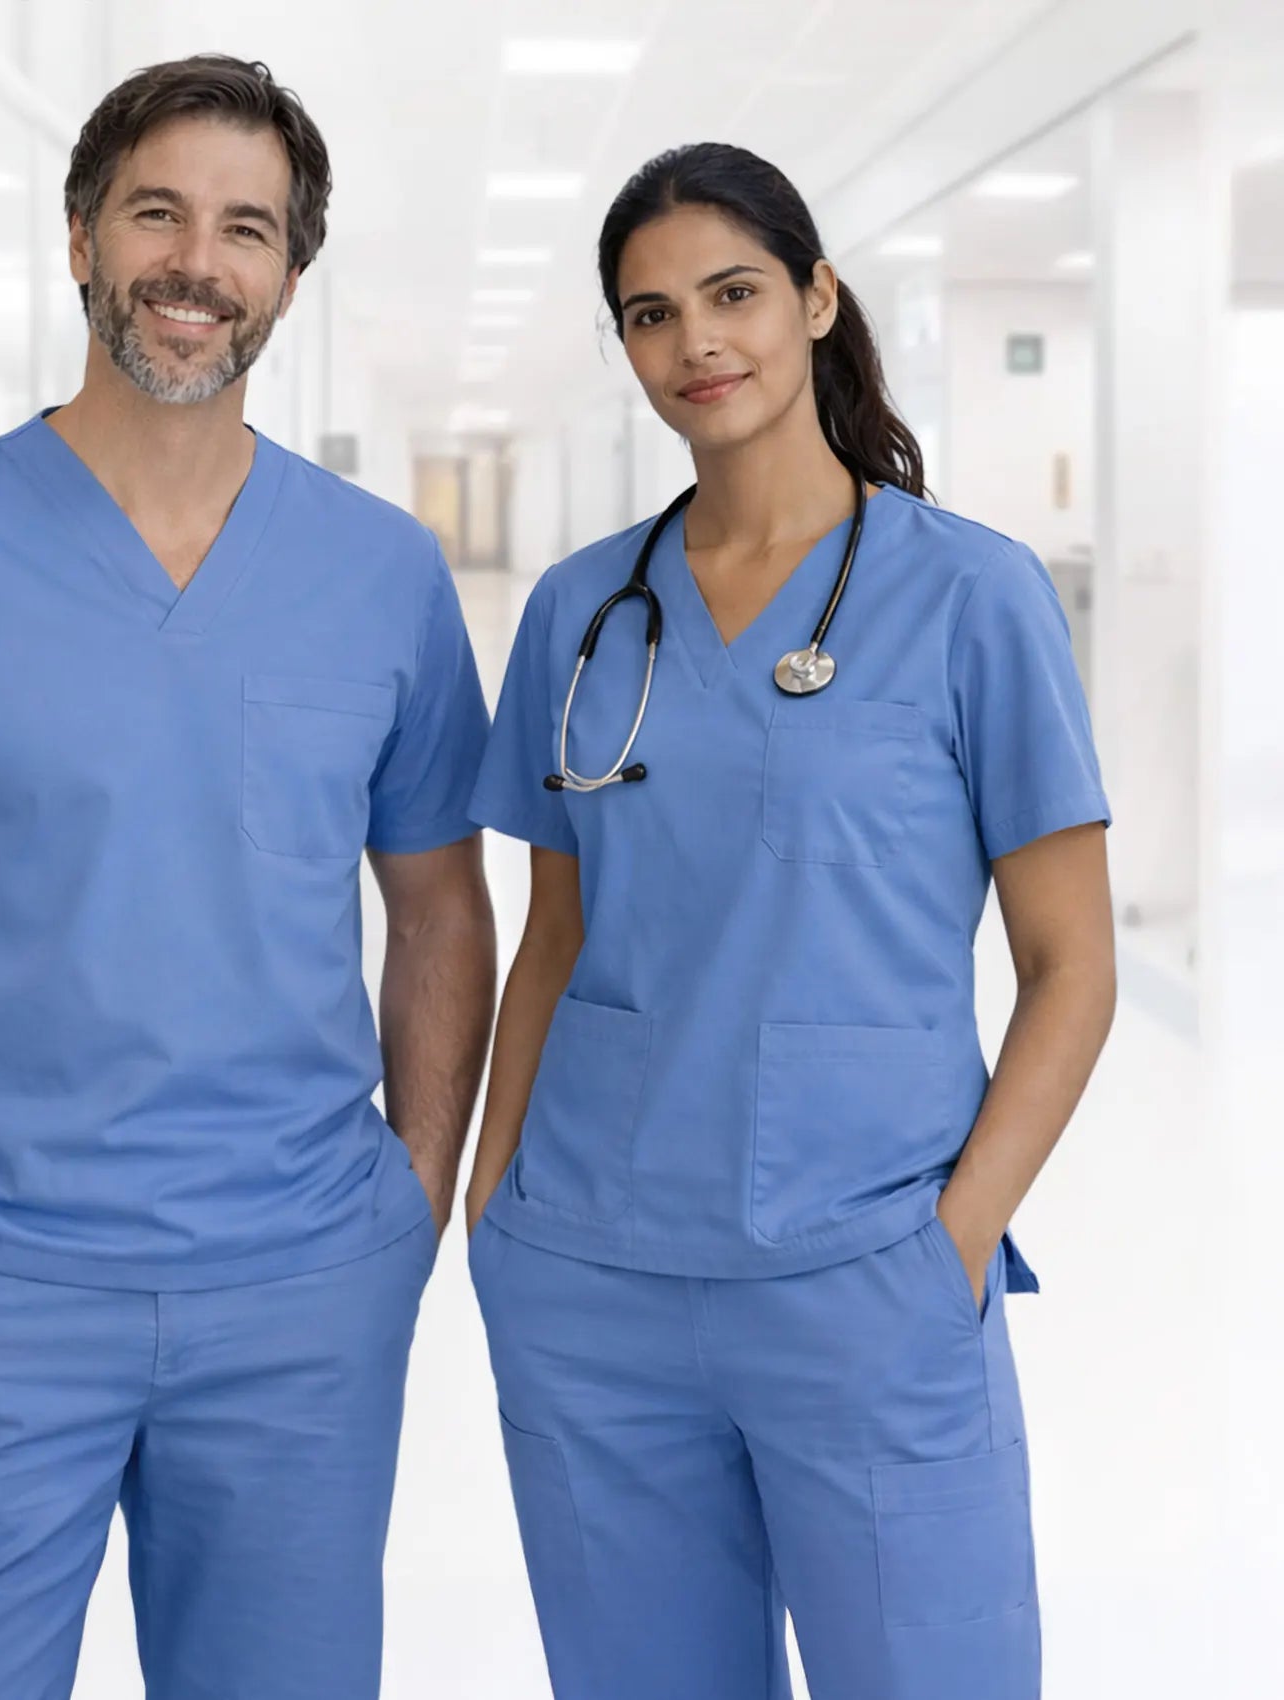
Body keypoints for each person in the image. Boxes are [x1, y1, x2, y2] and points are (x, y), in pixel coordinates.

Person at [0, 54, 495, 1700]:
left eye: (246, 228)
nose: (196, 264)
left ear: (290, 273)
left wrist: (405, 1209)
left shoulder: (382, 576)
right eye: (158, 211)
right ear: (80, 239)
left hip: (300, 1296)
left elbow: (439, 905)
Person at [463, 141, 1116, 1700]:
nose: (697, 341)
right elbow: (554, 933)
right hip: (591, 1277)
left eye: (736, 291)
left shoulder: (973, 596)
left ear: (820, 296)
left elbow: (1070, 966)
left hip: (865, 1277)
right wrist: (496, 1212)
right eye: (650, 314)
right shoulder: (580, 607)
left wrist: (947, 1250)